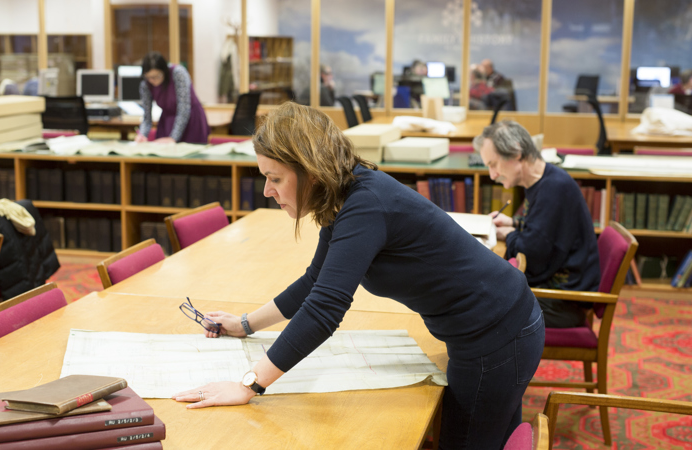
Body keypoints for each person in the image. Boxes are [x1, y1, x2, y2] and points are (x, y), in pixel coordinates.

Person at [172, 103, 545, 449]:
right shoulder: (346, 193)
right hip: (491, 327)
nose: (268, 191)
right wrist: (245, 324)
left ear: (310, 171)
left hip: (497, 336)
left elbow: (325, 309)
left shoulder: (365, 205)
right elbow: (314, 281)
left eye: (275, 178)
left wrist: (250, 384)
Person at [474, 120, 600, 329]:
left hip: (564, 301)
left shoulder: (554, 189)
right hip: (559, 290)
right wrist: (514, 223)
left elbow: (532, 255)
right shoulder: (545, 180)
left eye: (493, 164)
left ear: (516, 153)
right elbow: (545, 229)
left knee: (481, 306)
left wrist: (509, 234)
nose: (492, 175)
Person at [135, 52, 210, 144]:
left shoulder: (178, 73)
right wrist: (142, 135)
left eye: (156, 76)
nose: (152, 80)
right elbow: (147, 117)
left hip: (190, 120)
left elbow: (183, 109)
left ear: (164, 71)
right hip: (167, 121)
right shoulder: (145, 84)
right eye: (149, 77)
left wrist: (173, 138)